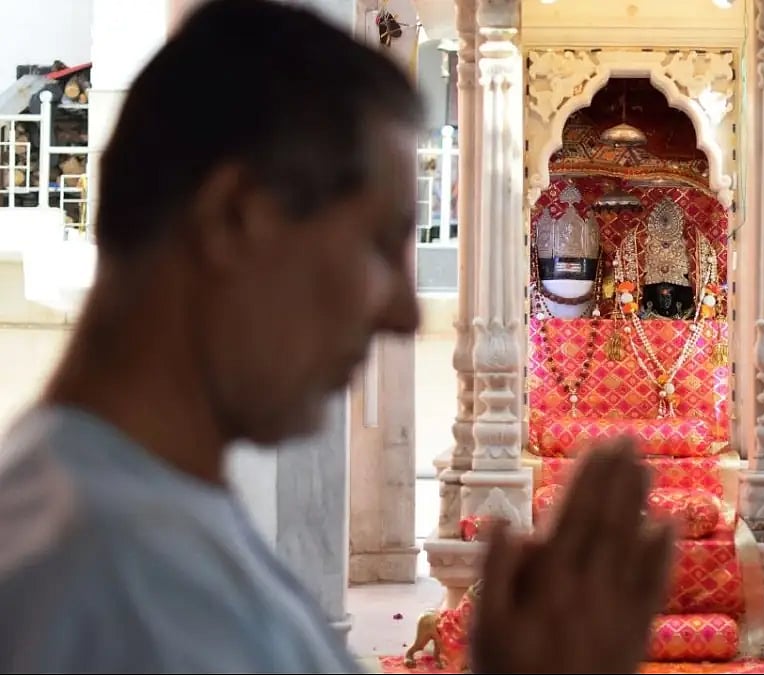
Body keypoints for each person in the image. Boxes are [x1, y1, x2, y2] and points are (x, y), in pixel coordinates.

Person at [0, 1, 674, 673]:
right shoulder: (93, 580)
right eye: (380, 244)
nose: (405, 316)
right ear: (237, 218)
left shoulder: (150, 527)